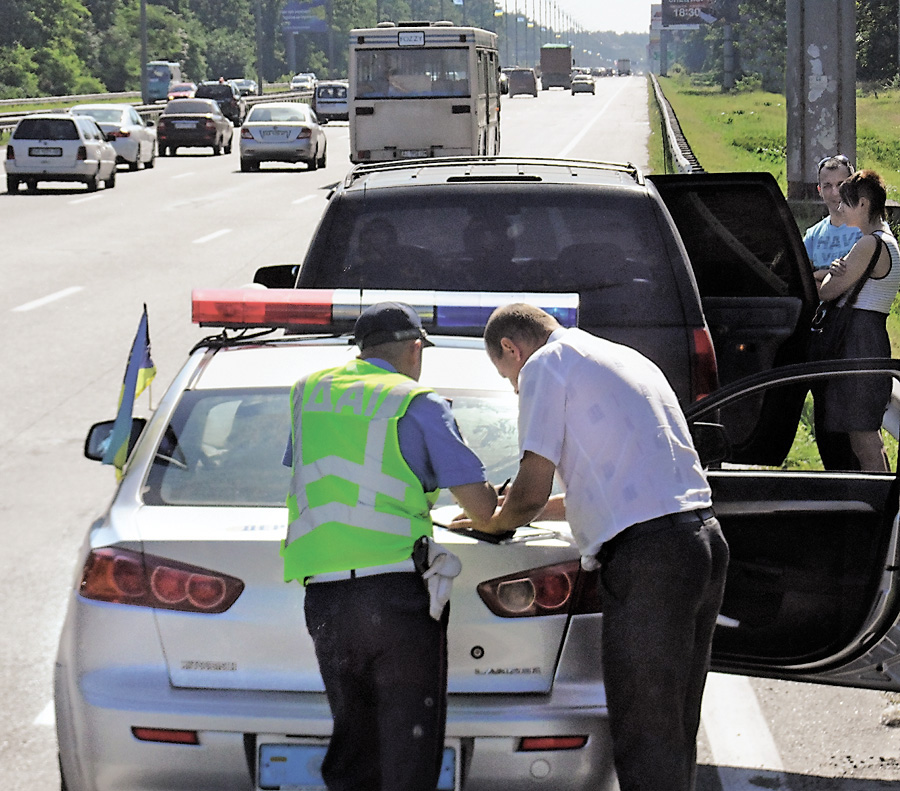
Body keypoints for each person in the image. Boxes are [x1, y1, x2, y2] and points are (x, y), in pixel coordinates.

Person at [452, 303, 729, 791]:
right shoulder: (621, 357)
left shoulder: (544, 366)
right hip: (699, 540)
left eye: (507, 376)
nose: (515, 388)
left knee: (644, 731)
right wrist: (514, 507)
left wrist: (492, 523)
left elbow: (530, 490)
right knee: (673, 726)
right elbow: (604, 487)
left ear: (511, 349)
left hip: (650, 560)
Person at [281, 301, 497, 791]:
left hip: (326, 600)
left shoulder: (307, 393)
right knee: (407, 756)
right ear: (415, 348)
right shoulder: (417, 401)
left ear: (361, 348)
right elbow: (481, 508)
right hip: (396, 599)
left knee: (354, 749)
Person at [814, 169, 900, 471]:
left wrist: (831, 274)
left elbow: (827, 293)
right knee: (867, 436)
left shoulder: (867, 245)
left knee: (863, 440)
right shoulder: (888, 242)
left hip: (858, 342)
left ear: (863, 204)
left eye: (846, 203)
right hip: (871, 336)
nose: (840, 208)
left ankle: (879, 509)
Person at [803, 155, 862, 470]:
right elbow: (801, 281)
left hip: (855, 333)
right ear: (819, 190)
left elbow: (856, 278)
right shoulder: (813, 235)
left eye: (841, 184)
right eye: (827, 185)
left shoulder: (862, 232)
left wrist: (819, 275)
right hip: (822, 334)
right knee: (824, 410)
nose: (834, 192)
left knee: (853, 415)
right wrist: (831, 273)